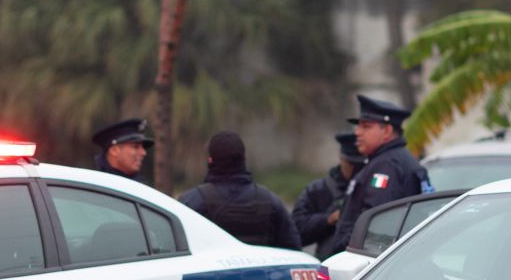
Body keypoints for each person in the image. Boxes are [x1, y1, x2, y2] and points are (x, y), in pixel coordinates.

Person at [332, 94, 432, 251]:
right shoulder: (392, 160)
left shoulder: (387, 165)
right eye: (359, 126)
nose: (357, 132)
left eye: (366, 127)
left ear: (386, 131)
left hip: (369, 259)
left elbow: (375, 224)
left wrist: (344, 248)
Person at [179, 131, 300, 248]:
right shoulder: (270, 200)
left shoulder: (190, 202)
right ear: (244, 158)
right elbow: (293, 249)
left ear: (210, 160)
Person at [293, 131, 366, 259]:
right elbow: (296, 230)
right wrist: (328, 219)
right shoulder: (318, 189)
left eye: (362, 165)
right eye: (353, 164)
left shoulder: (372, 188)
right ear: (342, 160)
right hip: (329, 264)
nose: (358, 170)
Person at [91, 118, 153, 183]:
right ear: (114, 150)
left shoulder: (141, 187)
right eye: (136, 147)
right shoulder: (96, 184)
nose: (143, 153)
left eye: (143, 148)